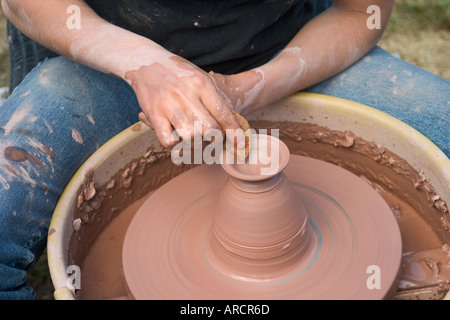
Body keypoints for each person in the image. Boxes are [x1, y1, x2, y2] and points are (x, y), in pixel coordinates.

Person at [0, 0, 448, 300]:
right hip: (110, 58)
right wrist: (146, 65)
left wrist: (252, 88)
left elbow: (360, 12)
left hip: (284, 51)